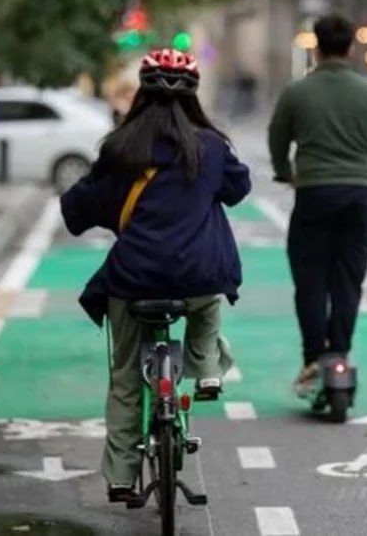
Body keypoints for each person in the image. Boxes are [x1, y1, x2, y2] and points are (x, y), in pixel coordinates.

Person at [59, 48, 250, 502]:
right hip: (198, 279)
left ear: (140, 95)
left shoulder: (120, 148)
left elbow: (80, 210)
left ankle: (122, 476)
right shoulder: (210, 147)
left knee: (126, 376)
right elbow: (238, 189)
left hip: (133, 279)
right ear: (194, 96)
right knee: (207, 298)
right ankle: (207, 370)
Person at [267, 14, 367, 397]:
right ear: (351, 48)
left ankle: (312, 358)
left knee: (310, 279)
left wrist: (286, 173)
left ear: (316, 48)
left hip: (313, 193)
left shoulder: (296, 93)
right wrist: (365, 175)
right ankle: (338, 351)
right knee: (347, 279)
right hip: (358, 195)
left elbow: (277, 139)